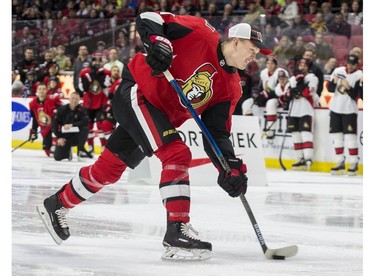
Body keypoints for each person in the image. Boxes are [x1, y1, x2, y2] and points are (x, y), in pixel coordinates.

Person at [36, 13, 271, 261]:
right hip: (139, 92)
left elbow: (216, 133)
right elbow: (149, 17)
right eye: (252, 48)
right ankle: (176, 230)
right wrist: (157, 40)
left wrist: (229, 167)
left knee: (107, 171)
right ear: (236, 41)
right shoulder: (201, 32)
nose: (255, 56)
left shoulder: (231, 87)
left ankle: (57, 204)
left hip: (161, 117)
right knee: (177, 153)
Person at [327, 54, 362, 176]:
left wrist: (348, 87)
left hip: (350, 110)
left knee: (350, 138)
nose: (349, 66)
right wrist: (334, 81)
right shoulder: (338, 71)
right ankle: (340, 161)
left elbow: (357, 96)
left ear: (357, 65)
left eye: (352, 64)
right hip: (336, 108)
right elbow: (330, 89)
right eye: (348, 63)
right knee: (337, 137)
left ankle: (354, 162)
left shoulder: (359, 76)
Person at [283, 58, 319, 170]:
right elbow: (286, 94)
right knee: (295, 135)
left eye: (304, 65)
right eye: (300, 65)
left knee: (306, 134)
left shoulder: (313, 78)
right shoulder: (292, 79)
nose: (302, 67)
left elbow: (309, 92)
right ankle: (300, 159)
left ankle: (308, 158)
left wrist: (299, 89)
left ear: (308, 67)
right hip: (293, 110)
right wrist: (291, 93)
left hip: (306, 110)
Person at [241, 57, 287, 143]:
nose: (269, 65)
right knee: (246, 103)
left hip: (277, 98)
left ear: (276, 64)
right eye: (268, 63)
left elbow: (280, 89)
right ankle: (250, 128)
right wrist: (256, 93)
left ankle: (271, 130)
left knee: (270, 103)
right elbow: (259, 87)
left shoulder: (280, 72)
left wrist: (266, 94)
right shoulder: (263, 73)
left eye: (272, 63)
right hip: (265, 96)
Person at [52, 91, 92, 161]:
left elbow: (85, 121)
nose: (74, 100)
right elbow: (54, 124)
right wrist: (59, 137)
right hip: (64, 137)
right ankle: (68, 151)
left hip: (76, 137)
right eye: (73, 98)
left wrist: (72, 125)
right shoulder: (62, 109)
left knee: (85, 129)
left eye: (76, 99)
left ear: (79, 100)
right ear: (69, 99)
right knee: (57, 157)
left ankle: (80, 150)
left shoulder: (82, 110)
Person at [29, 83, 63, 157]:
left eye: (43, 89)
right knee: (46, 148)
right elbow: (35, 118)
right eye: (40, 89)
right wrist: (33, 131)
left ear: (47, 90)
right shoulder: (32, 103)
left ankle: (60, 147)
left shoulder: (53, 99)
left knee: (57, 149)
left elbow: (62, 111)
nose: (41, 91)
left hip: (56, 125)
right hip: (44, 127)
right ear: (37, 91)